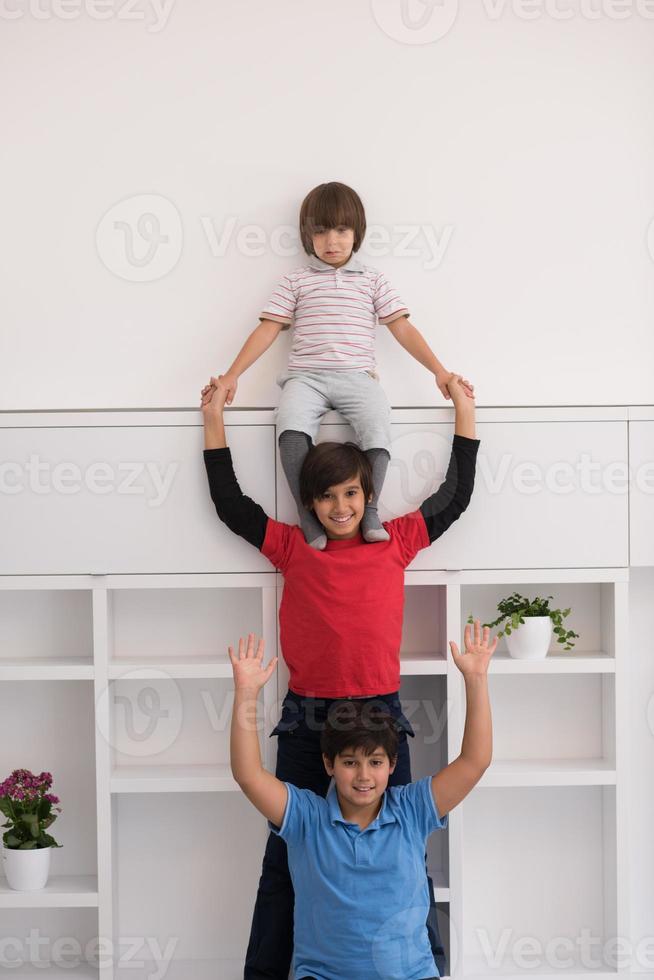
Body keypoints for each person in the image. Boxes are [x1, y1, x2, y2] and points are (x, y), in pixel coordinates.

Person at [201, 372, 479, 980]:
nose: (341, 507)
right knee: (285, 858)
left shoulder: (396, 541)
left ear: (368, 493)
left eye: (351, 493)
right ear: (310, 502)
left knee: (406, 853)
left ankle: (425, 969)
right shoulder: (295, 546)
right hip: (307, 716)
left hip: (380, 713)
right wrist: (214, 420)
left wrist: (463, 410)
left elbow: (455, 496)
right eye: (326, 497)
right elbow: (231, 506)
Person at [211, 181, 474, 549]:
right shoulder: (295, 281)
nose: (331, 241)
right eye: (320, 231)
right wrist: (232, 375)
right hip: (306, 378)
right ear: (308, 235)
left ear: (356, 233)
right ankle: (308, 514)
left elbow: (402, 328)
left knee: (378, 422)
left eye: (341, 230)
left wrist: (440, 372)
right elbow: (268, 330)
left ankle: (368, 508)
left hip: (357, 377)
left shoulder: (372, 281)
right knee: (288, 424)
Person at [228, 622, 497, 980]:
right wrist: (246, 691)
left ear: (392, 765)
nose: (364, 776)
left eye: (375, 763)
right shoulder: (307, 818)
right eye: (350, 763)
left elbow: (474, 761)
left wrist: (476, 679)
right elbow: (248, 775)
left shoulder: (412, 809)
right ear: (330, 765)